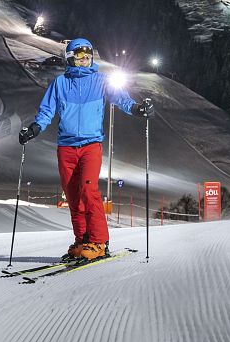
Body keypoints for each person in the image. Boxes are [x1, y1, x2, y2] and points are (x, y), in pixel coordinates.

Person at [18, 38, 154, 261]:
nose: (85, 60)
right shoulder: (59, 84)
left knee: (89, 191)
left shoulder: (100, 80)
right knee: (72, 196)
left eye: (88, 56)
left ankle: (99, 241)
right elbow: (45, 112)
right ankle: (82, 240)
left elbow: (121, 99)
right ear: (70, 58)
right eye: (80, 57)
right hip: (66, 147)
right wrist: (33, 129)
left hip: (91, 145)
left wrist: (138, 109)